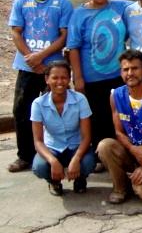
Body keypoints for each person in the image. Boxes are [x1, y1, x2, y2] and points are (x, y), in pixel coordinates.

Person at [8, 0, 73, 172]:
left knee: (56, 111)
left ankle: (57, 153)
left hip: (53, 69)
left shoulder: (63, 3)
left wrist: (42, 58)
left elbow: (64, 37)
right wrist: (30, 57)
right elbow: (16, 32)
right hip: (27, 67)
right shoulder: (21, 0)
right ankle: (25, 155)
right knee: (21, 110)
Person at [67, 0, 130, 158]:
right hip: (92, 78)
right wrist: (78, 78)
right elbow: (73, 48)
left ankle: (117, 155)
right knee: (96, 117)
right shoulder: (79, 14)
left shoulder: (120, 7)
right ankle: (99, 156)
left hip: (118, 77)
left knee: (118, 117)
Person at [97, 49, 142, 204]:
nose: (130, 73)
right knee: (105, 146)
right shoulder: (115, 95)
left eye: (135, 68)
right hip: (130, 151)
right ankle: (120, 187)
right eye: (126, 69)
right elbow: (118, 131)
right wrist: (133, 149)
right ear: (121, 72)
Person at [30, 61, 95, 195]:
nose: (60, 81)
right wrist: (53, 161)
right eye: (55, 77)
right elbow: (38, 141)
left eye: (64, 77)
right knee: (39, 167)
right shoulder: (38, 104)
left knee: (89, 162)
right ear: (47, 79)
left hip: (76, 146)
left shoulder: (80, 99)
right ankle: (53, 181)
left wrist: (76, 159)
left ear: (69, 79)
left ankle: (80, 179)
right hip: (52, 148)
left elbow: (87, 137)